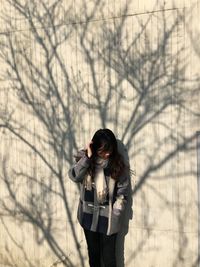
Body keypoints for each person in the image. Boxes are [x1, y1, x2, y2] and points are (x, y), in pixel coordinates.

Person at [68, 129, 130, 267]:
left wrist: (116, 214)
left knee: (109, 260)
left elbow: (122, 193)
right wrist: (87, 157)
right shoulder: (85, 160)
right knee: (93, 257)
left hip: (108, 219)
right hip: (88, 217)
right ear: (95, 148)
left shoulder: (117, 165)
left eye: (110, 150)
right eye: (103, 150)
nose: (107, 154)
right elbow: (74, 176)